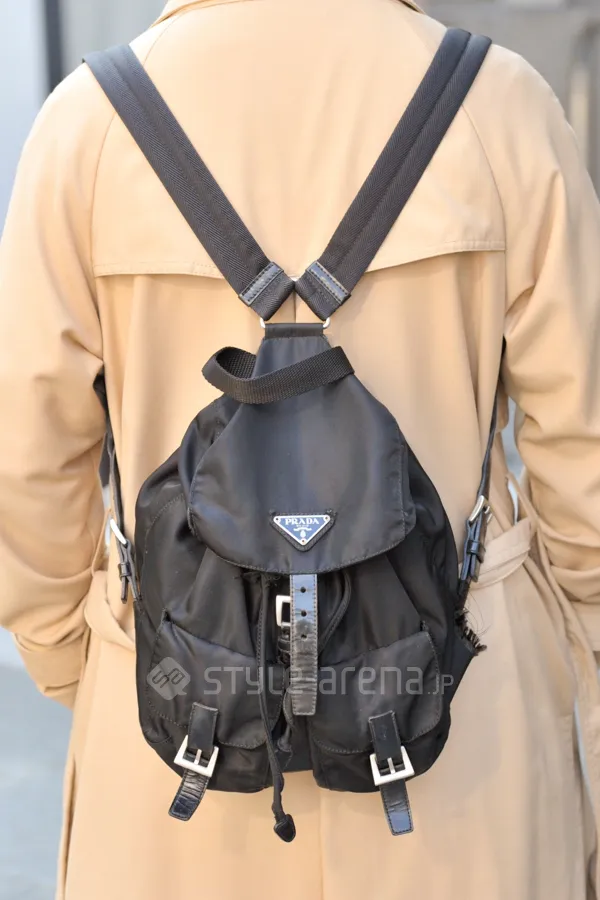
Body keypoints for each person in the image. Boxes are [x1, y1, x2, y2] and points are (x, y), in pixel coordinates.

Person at [0, 0, 599, 897]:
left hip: (182, 721)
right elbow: (584, 457)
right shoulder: (499, 106)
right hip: (457, 718)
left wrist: (85, 659)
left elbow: (26, 466)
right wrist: (570, 646)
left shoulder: (88, 126)